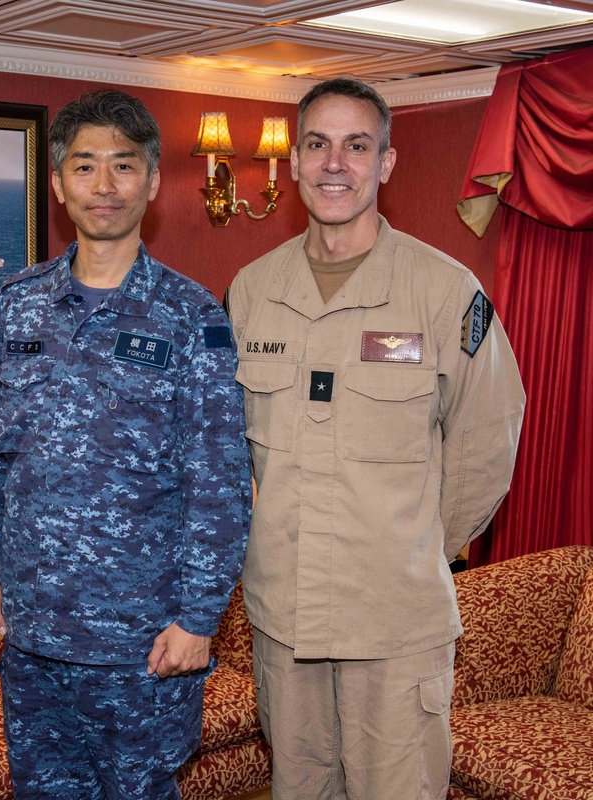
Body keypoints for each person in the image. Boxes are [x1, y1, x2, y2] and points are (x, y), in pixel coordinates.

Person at [227, 77, 525, 799]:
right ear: (293, 162)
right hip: (284, 621)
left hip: (395, 627)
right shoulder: (251, 292)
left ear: (386, 164)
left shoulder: (445, 294)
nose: (336, 163)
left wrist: (412, 547)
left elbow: (487, 448)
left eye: (357, 146)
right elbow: (230, 455)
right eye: (318, 145)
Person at [0, 88, 252, 799]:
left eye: (124, 167)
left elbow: (220, 480)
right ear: (59, 183)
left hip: (142, 640)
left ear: (152, 183)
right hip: (33, 633)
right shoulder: (17, 304)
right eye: (86, 167)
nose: (104, 186)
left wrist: (198, 618)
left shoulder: (192, 316)